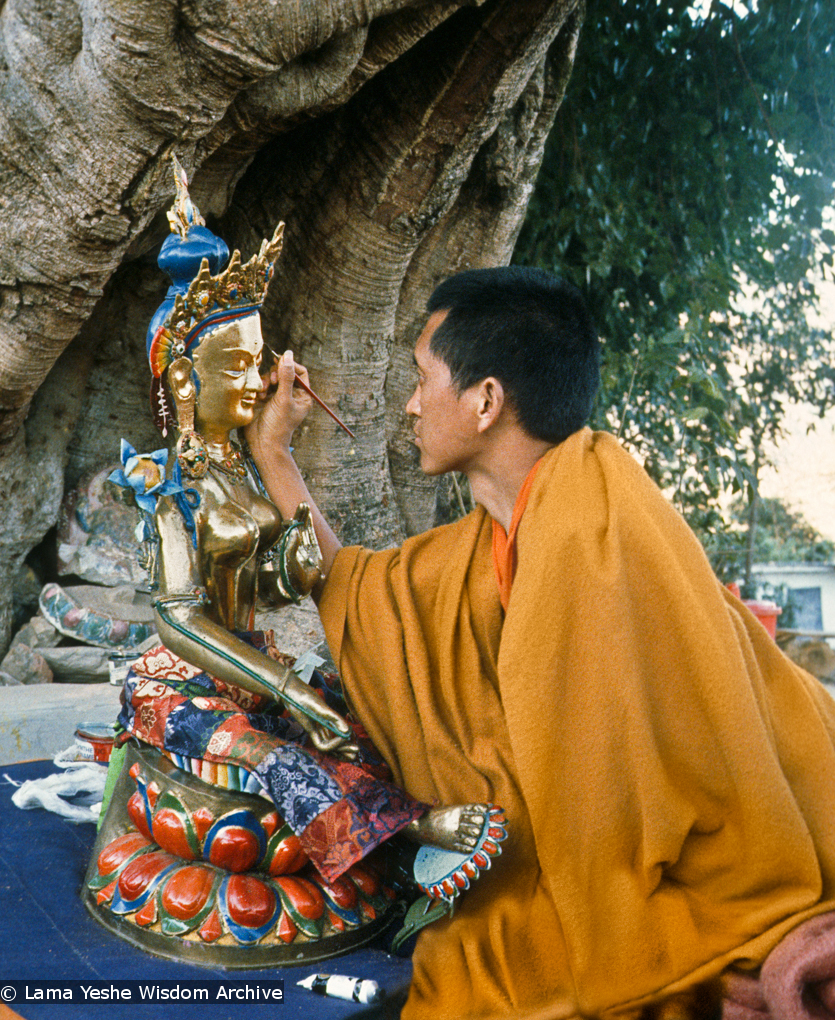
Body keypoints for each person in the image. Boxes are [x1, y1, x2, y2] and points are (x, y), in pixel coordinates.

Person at [246, 265, 835, 1020]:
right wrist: (274, 452)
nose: (411, 404)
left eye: (423, 379)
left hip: (736, 851)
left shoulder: (590, 528)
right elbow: (361, 593)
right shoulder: (493, 535)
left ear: (486, 401)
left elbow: (620, 807)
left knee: (514, 963)